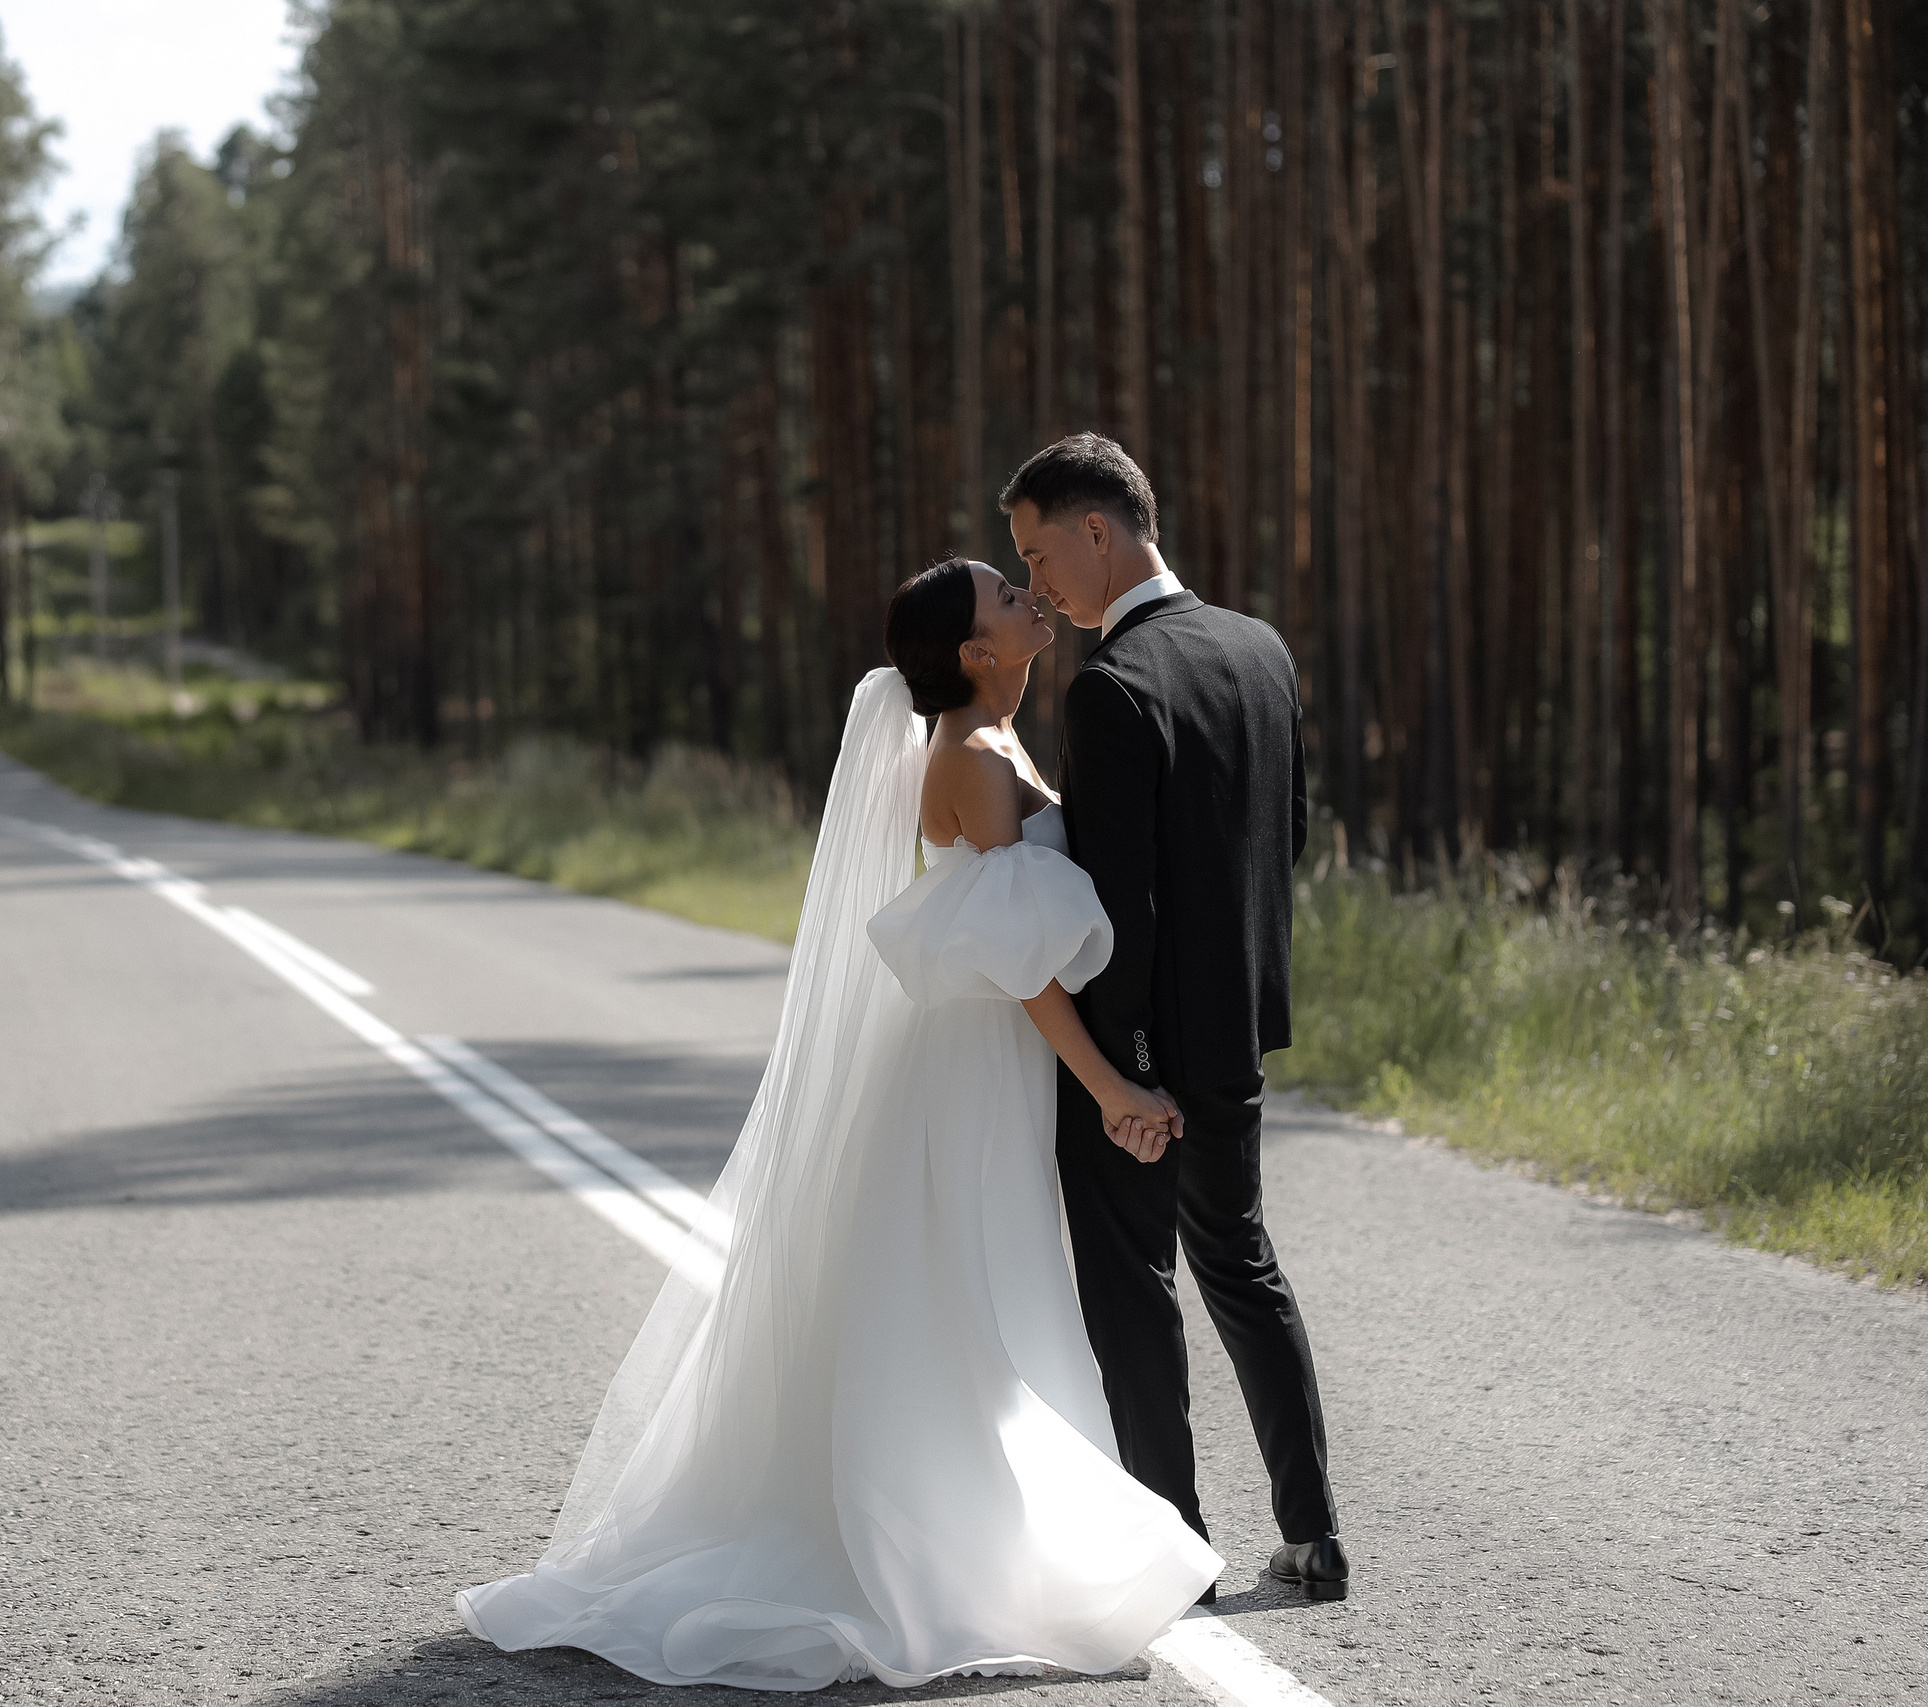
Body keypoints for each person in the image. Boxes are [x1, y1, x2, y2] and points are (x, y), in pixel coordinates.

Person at [456, 557, 1220, 1690]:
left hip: (990, 1065)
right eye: (1005, 599)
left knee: (987, 1285)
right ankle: (930, 1545)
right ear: (974, 653)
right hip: (967, 1070)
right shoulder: (964, 759)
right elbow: (1022, 970)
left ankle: (986, 1530)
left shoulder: (998, 743)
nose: (1028, 597)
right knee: (963, 1289)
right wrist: (1110, 1087)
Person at [1001, 431, 1347, 1603]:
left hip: (1139, 1052)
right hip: (1237, 1035)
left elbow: (1120, 910)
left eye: (1039, 554)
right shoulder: (1260, 649)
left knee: (1134, 1290)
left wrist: (1123, 1078)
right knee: (1242, 1267)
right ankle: (1314, 1536)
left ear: (1099, 530)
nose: (1038, 586)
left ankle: (1175, 1550)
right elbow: (1282, 842)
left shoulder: (1109, 687)